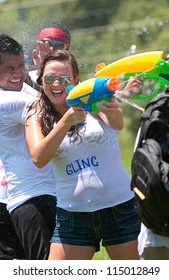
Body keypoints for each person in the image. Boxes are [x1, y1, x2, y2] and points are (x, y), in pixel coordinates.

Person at [25, 50, 141, 260]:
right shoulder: (37, 115)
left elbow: (118, 123)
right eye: (50, 78)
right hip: (72, 216)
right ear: (41, 80)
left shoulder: (90, 99)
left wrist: (112, 107)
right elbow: (38, 158)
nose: (56, 84)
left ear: (75, 80)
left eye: (64, 78)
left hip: (119, 208)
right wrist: (65, 123)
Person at [0, 33, 57, 260]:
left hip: (35, 194)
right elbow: (54, 104)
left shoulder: (19, 88)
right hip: (31, 199)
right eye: (8, 68)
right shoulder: (6, 100)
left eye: (20, 65)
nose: (18, 74)